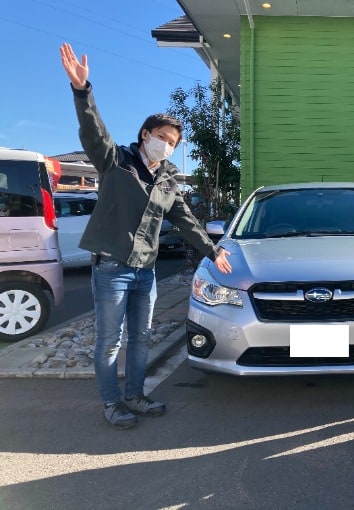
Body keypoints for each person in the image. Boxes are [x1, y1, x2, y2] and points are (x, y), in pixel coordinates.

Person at [59, 43, 233, 430]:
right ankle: (112, 402)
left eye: (173, 142)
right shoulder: (115, 160)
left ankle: (135, 395)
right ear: (145, 134)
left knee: (141, 338)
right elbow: (93, 131)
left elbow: (185, 218)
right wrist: (82, 91)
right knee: (109, 341)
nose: (167, 145)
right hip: (112, 269)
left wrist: (212, 251)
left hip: (145, 271)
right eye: (162, 138)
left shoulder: (168, 177)